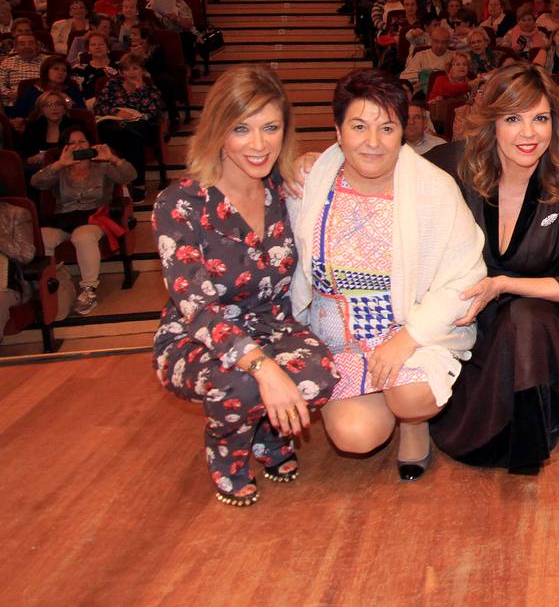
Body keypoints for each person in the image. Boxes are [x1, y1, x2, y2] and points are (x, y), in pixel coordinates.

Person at [152, 64, 338, 507]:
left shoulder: (283, 186)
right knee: (240, 385)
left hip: (271, 322)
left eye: (270, 128)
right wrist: (264, 368)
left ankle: (266, 434)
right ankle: (227, 453)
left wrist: (315, 160)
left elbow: (346, 167)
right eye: (242, 128)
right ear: (218, 130)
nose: (259, 144)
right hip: (197, 333)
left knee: (319, 377)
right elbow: (198, 308)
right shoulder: (179, 203)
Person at [288, 69, 483, 481]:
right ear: (338, 132)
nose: (373, 142)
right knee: (355, 435)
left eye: (387, 128)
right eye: (359, 126)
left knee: (413, 397)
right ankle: (372, 399)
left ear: (403, 132)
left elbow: (463, 276)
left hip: (409, 332)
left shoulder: (434, 189)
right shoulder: (312, 182)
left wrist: (406, 339)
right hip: (337, 339)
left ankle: (415, 425)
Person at [426, 65, 559, 474]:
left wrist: (505, 283)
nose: (528, 133)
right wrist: (320, 161)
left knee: (525, 317)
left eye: (540, 118)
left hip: (545, 317)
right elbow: (385, 163)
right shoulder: (456, 164)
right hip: (474, 317)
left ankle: (527, 438)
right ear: (493, 122)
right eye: (513, 119)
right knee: (505, 321)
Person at [32, 128, 137, 315]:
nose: (78, 146)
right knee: (43, 236)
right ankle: (54, 284)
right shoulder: (60, 169)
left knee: (83, 236)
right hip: (64, 219)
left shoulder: (102, 165)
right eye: (72, 143)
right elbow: (36, 182)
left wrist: (113, 158)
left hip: (95, 217)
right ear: (65, 147)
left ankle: (89, 290)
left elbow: (130, 176)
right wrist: (58, 165)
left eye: (82, 142)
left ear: (90, 144)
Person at [93, 53, 163, 200]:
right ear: (122, 72)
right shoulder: (112, 84)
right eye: (127, 69)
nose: (131, 73)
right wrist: (117, 113)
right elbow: (99, 106)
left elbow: (153, 110)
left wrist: (140, 90)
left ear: (142, 71)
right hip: (112, 123)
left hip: (139, 125)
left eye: (135, 68)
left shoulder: (150, 87)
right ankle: (138, 183)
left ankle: (136, 184)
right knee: (123, 133)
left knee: (133, 136)